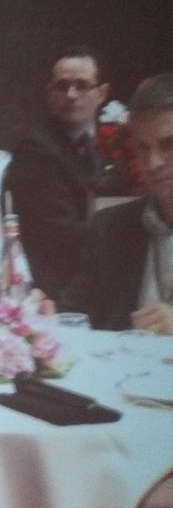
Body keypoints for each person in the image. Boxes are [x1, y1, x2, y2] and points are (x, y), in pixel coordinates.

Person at [1, 48, 111, 307]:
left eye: (82, 85)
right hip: (56, 288)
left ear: (102, 93)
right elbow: (57, 234)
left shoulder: (113, 140)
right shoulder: (35, 152)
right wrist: (125, 230)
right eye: (62, 86)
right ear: (49, 93)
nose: (71, 95)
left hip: (97, 271)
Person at [67, 72, 173, 335]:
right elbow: (75, 314)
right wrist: (44, 312)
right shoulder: (110, 228)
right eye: (144, 149)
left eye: (169, 145)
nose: (154, 163)